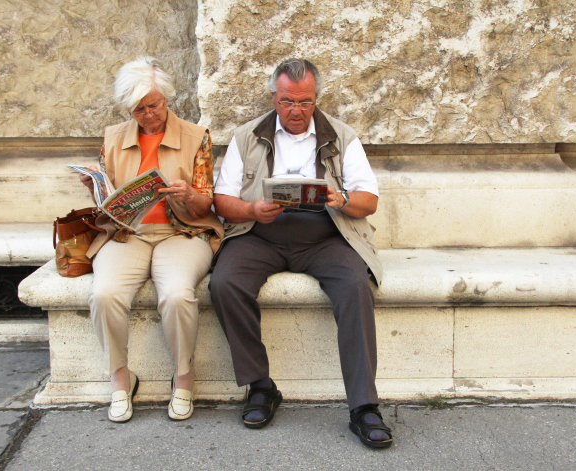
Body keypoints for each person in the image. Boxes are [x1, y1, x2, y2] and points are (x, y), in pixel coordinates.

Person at [209, 58, 392, 448]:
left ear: (316, 98)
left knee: (355, 284)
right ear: (274, 97)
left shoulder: (341, 136)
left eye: (305, 102)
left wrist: (341, 199)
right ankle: (261, 386)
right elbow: (222, 200)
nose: (296, 111)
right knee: (224, 283)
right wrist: (251, 209)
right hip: (260, 233)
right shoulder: (247, 136)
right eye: (288, 102)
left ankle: (364, 407)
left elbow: (369, 200)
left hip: (325, 236)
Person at [78, 56, 223, 423]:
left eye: (154, 105)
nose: (148, 114)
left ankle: (184, 377)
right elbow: (109, 202)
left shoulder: (195, 136)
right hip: (129, 233)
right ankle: (121, 380)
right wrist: (97, 189)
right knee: (104, 294)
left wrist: (188, 194)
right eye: (138, 109)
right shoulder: (113, 137)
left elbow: (207, 201)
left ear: (166, 99)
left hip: (182, 232)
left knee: (176, 294)